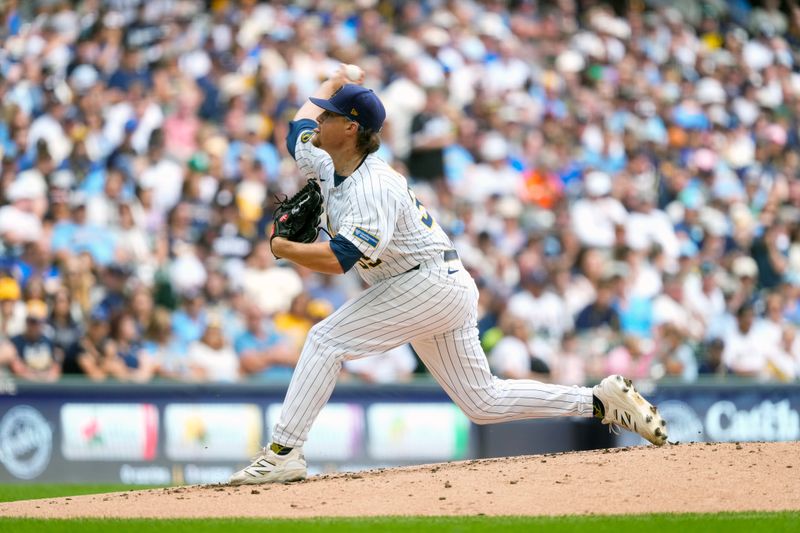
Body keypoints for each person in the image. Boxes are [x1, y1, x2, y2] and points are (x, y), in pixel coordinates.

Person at [229, 65, 668, 485]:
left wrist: (286, 249)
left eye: (329, 113)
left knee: (326, 340)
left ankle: (283, 454)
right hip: (430, 284)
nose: (318, 119)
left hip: (427, 283)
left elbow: (341, 257)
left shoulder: (374, 185)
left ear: (350, 129)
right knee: (483, 401)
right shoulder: (328, 162)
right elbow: (295, 132)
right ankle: (599, 400)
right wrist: (334, 81)